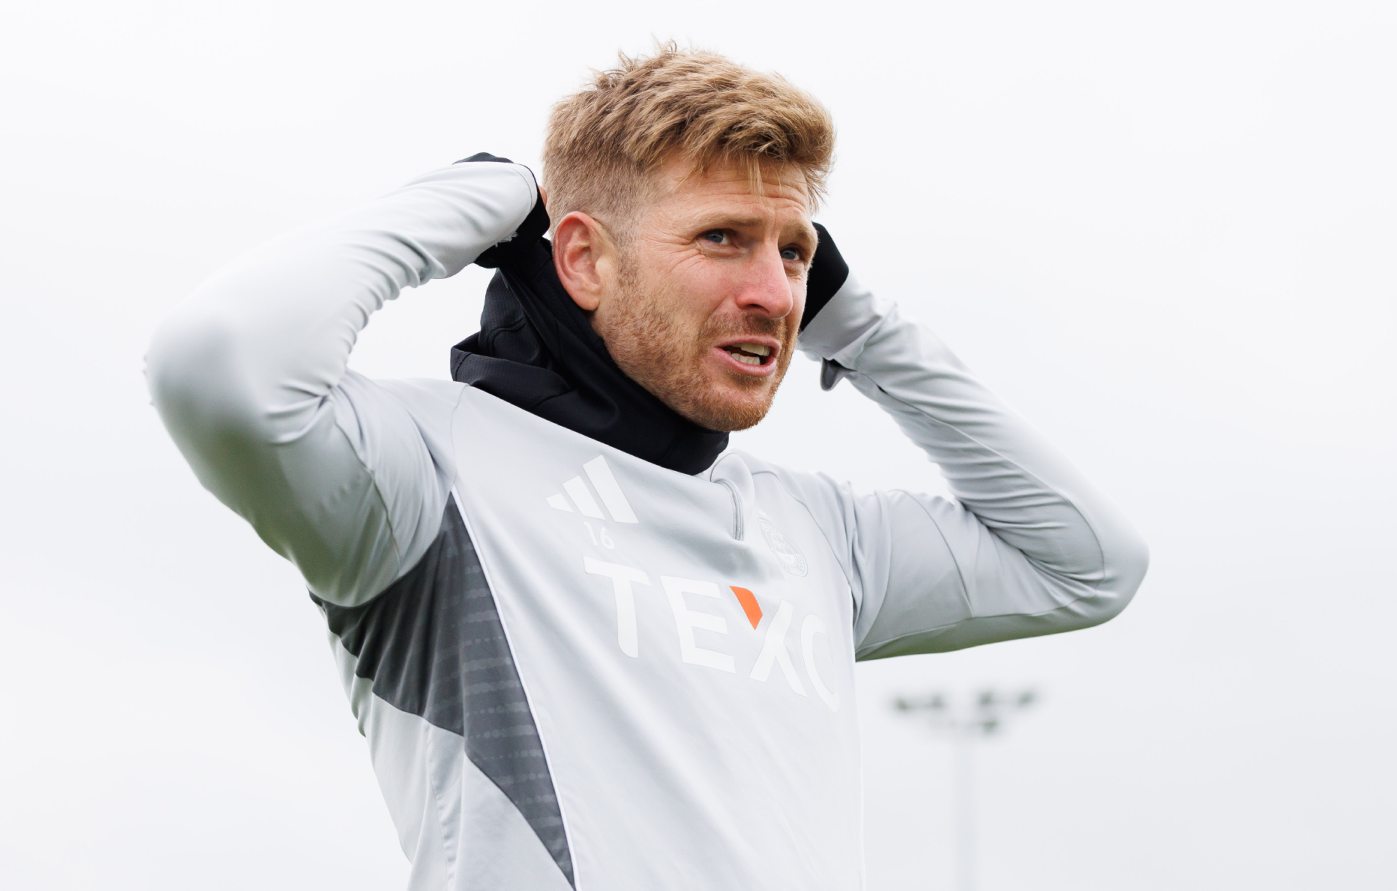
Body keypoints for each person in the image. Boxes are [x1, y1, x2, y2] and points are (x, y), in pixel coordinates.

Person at [147, 45, 1148, 891]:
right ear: (583, 259)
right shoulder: (425, 472)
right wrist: (483, 195)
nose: (774, 294)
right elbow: (218, 359)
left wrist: (860, 325)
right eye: (722, 238)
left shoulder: (815, 530)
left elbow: (1089, 562)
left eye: (795, 253)